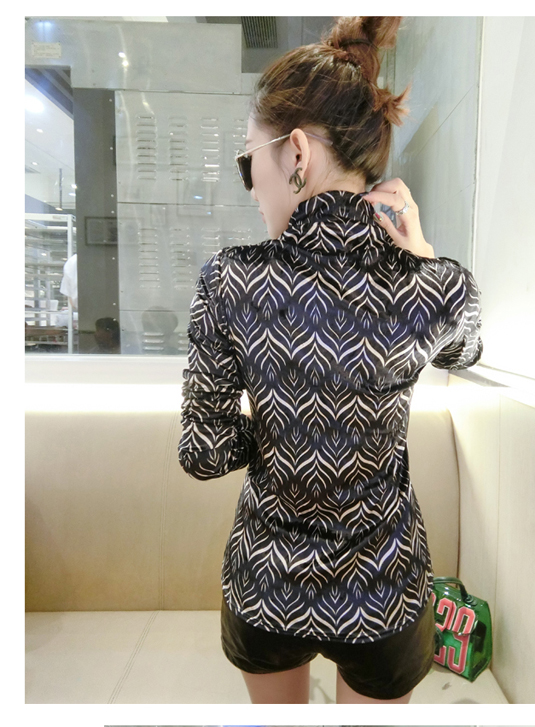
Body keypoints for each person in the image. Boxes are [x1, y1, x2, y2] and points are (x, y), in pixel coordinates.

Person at [178, 16, 483, 704]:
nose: (250, 185)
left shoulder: (229, 281)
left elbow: (203, 452)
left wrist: (284, 432)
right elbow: (466, 347)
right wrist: (423, 256)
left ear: (295, 153)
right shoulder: (433, 286)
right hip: (385, 591)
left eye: (248, 163)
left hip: (267, 583)